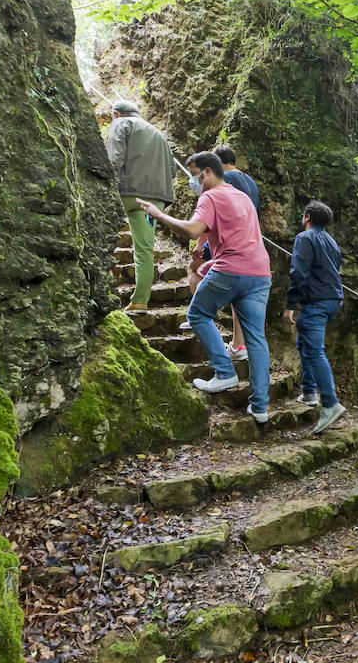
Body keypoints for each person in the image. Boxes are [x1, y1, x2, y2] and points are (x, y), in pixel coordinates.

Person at [138, 152, 273, 423]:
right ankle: (259, 406)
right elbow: (245, 239)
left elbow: (192, 230)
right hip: (259, 271)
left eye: (193, 174)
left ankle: (224, 373)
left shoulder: (210, 197)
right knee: (256, 338)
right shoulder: (242, 196)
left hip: (232, 271)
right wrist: (210, 265)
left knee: (198, 314)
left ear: (208, 172)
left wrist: (157, 214)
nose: (192, 181)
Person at [188, 145, 261, 360]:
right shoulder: (250, 182)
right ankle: (239, 345)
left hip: (225, 241)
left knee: (193, 270)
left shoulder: (224, 180)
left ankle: (202, 317)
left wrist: (200, 243)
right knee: (240, 295)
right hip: (249, 243)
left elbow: (213, 213)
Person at [105, 99, 177, 311]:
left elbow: (113, 158)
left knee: (101, 235)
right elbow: (172, 170)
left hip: (126, 194)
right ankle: (140, 301)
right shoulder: (158, 134)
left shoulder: (121, 124)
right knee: (145, 249)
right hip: (154, 200)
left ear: (117, 114)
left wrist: (109, 184)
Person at [283, 200, 347, 435]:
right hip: (333, 301)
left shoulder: (305, 238)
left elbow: (298, 272)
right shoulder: (331, 241)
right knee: (304, 342)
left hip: (317, 302)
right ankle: (309, 392)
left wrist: (290, 304)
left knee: (314, 350)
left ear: (307, 217)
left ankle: (330, 403)